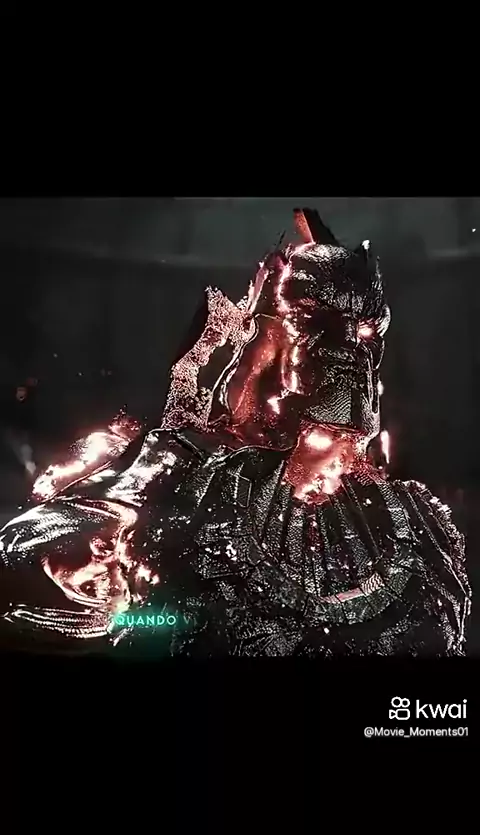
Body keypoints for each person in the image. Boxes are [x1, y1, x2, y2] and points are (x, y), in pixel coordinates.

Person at [0, 209, 470, 655]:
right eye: (96, 587)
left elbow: (244, 405)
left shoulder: (110, 469)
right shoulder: (174, 524)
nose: (103, 563)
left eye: (80, 570)